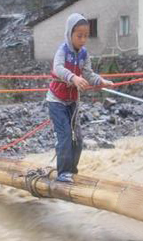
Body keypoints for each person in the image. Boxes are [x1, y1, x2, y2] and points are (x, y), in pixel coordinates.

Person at [47, 13, 113, 183]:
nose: (83, 40)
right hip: (57, 101)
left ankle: (72, 171)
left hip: (73, 102)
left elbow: (89, 74)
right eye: (79, 36)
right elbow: (58, 68)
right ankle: (62, 173)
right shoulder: (62, 51)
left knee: (78, 138)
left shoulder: (84, 54)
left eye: (85, 36)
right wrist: (74, 78)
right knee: (65, 136)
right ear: (70, 34)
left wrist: (102, 81)